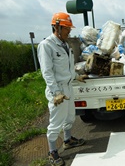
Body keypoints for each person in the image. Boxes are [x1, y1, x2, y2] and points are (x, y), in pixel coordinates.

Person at [37, 12, 88, 166]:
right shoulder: (46, 45)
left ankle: (67, 140)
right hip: (58, 90)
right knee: (55, 123)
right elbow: (47, 72)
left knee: (70, 116)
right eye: (66, 28)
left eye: (69, 28)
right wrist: (56, 93)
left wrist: (76, 76)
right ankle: (52, 152)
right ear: (57, 27)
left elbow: (67, 67)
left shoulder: (65, 45)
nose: (69, 31)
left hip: (68, 87)